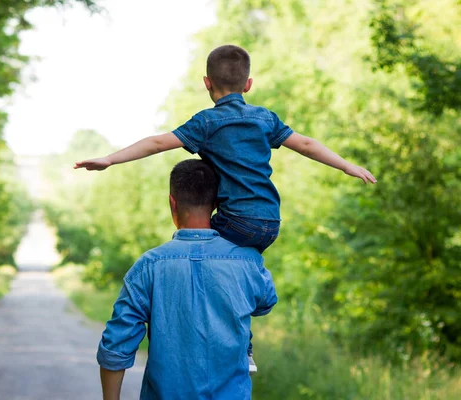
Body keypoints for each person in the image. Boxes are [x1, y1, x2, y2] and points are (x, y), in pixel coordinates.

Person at [77, 44, 376, 370]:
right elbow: (305, 143)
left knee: (194, 246)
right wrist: (347, 166)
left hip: (235, 221)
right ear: (248, 85)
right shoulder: (264, 118)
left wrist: (110, 159)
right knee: (237, 265)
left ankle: (237, 344)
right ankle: (247, 317)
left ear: (207, 83)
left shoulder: (207, 122)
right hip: (270, 222)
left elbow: (159, 142)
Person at [97, 159, 277, 400]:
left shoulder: (148, 265)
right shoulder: (248, 261)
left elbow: (116, 345)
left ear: (172, 201)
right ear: (215, 204)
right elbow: (265, 303)